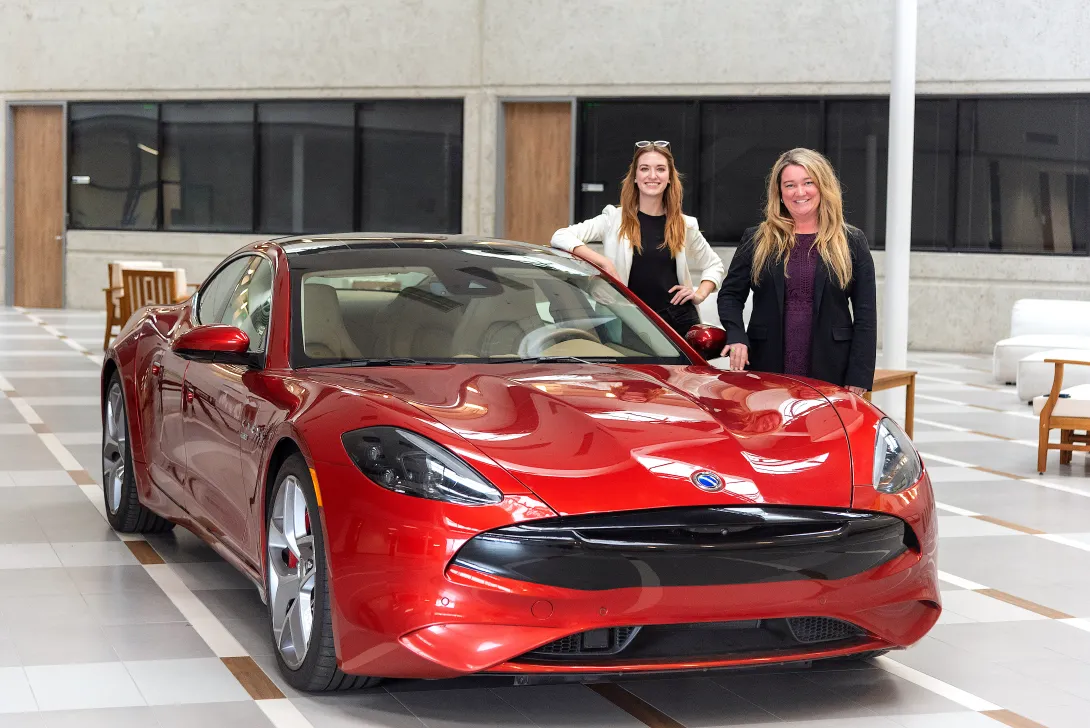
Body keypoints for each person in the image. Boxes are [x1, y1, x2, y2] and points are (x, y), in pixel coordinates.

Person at [717, 148, 876, 395]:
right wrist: (736, 335)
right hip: (767, 365)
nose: (799, 192)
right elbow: (729, 295)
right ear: (779, 193)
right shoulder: (757, 239)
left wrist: (859, 375)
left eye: (808, 183)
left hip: (832, 367)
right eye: (790, 185)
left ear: (823, 187)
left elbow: (866, 316)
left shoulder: (852, 240)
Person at [550, 140, 725, 337]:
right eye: (644, 169)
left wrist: (699, 293)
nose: (652, 176)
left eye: (660, 169)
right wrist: (603, 263)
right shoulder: (613, 219)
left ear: (669, 178)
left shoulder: (684, 224)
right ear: (635, 177)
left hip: (678, 320)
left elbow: (714, 265)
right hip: (628, 319)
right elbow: (560, 236)